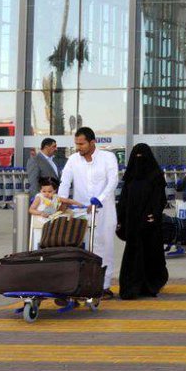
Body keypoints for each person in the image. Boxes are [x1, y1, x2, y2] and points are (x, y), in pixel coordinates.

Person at [58, 127, 119, 298]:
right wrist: (61, 200)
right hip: (81, 212)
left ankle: (104, 286)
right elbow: (65, 181)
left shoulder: (108, 158)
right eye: (76, 144)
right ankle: (81, 285)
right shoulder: (73, 160)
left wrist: (99, 199)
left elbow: (113, 181)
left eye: (82, 144)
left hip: (104, 211)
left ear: (92, 142)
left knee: (105, 248)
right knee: (82, 248)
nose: (78, 147)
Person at [115, 143, 169, 300]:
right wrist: (120, 218)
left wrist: (154, 214)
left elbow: (160, 198)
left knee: (151, 253)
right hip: (132, 223)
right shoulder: (130, 177)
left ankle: (151, 284)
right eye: (136, 157)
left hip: (149, 223)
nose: (139, 160)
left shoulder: (156, 176)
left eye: (142, 157)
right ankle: (131, 287)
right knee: (133, 254)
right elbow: (123, 200)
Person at [29, 178, 78, 250]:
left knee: (66, 217)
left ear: (55, 190)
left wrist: (79, 204)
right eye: (44, 191)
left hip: (52, 217)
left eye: (49, 191)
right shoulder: (39, 198)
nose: (46, 193)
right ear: (40, 190)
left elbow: (68, 201)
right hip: (41, 218)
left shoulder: (56, 197)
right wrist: (41, 213)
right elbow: (31, 210)